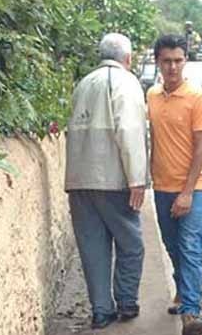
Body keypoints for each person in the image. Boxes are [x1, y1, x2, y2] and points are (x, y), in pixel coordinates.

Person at [64, 33, 148, 330]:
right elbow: (130, 131)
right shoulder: (125, 82)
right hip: (112, 179)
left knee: (92, 246)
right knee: (131, 244)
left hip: (78, 179)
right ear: (128, 58)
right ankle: (126, 302)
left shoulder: (83, 83)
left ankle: (101, 311)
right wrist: (137, 179)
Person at [147, 34, 202, 335]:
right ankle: (182, 287)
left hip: (194, 187)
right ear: (157, 62)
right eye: (166, 61)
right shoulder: (151, 96)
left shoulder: (199, 98)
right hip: (161, 185)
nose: (172, 67)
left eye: (178, 60)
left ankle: (191, 312)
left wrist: (187, 192)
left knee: (190, 246)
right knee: (172, 245)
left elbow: (201, 147)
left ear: (185, 61)